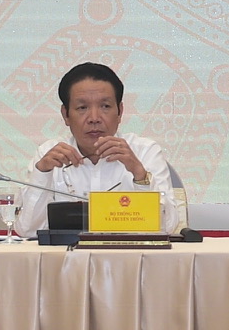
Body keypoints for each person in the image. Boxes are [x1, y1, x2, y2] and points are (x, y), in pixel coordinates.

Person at [17, 63, 174, 233]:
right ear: (66, 115)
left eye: (105, 106)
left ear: (120, 112)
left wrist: (140, 176)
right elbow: (27, 230)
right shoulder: (48, 155)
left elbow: (167, 227)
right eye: (82, 108)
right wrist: (42, 173)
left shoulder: (145, 152)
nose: (94, 118)